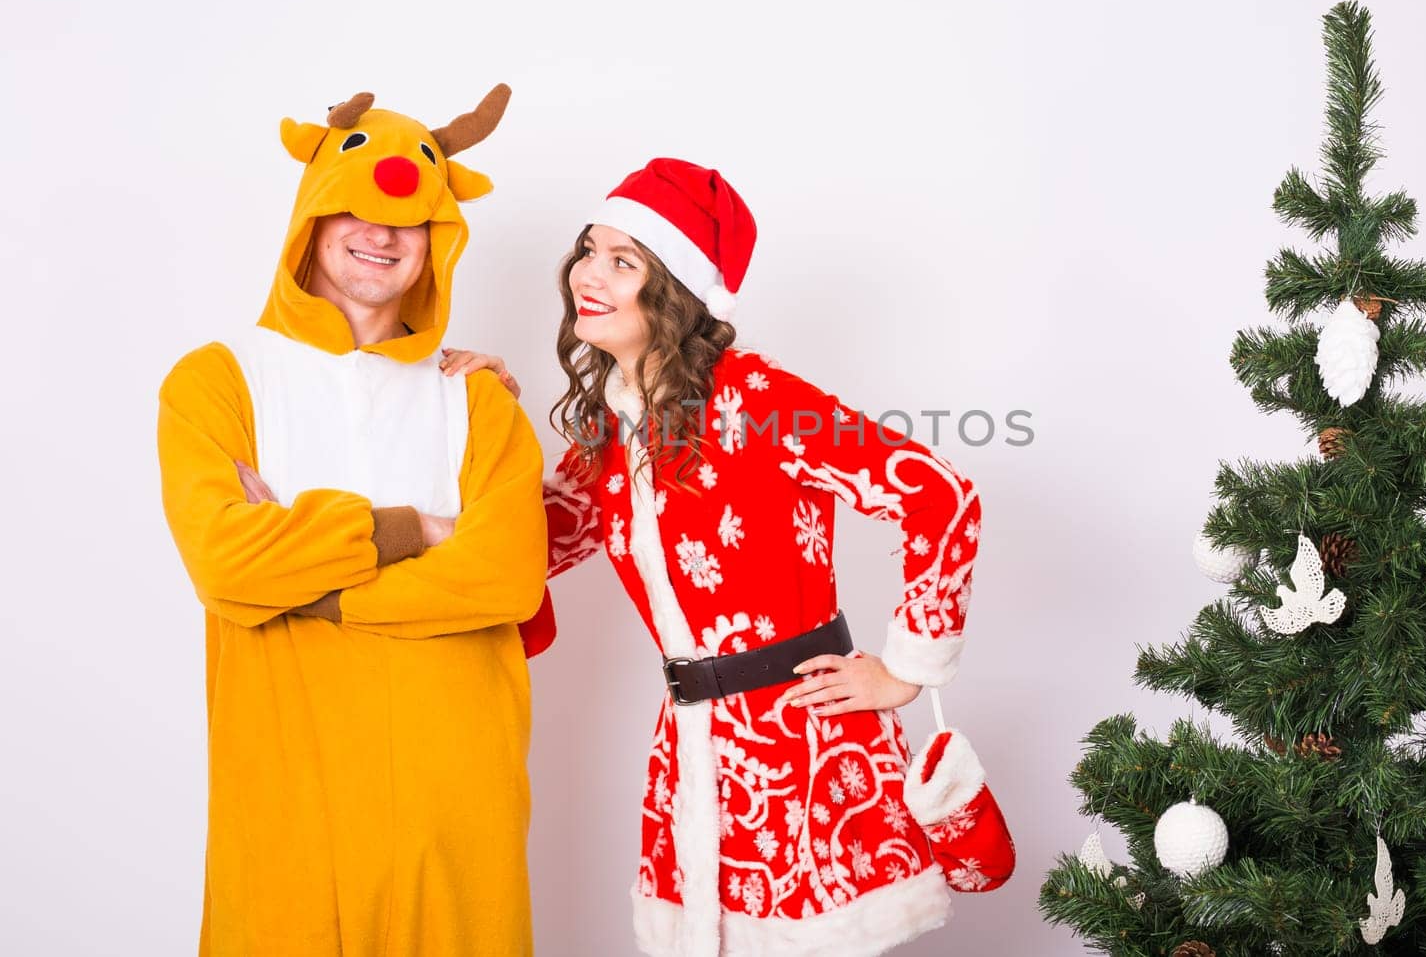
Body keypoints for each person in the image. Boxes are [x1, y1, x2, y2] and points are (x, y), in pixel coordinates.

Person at [444, 158, 981, 956]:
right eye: (590, 250)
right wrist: (487, 413)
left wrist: (906, 669)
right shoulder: (611, 431)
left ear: (674, 292)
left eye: (624, 262)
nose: (589, 275)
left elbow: (939, 493)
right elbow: (520, 544)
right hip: (690, 756)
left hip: (800, 752)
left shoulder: (760, 400)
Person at [157, 86, 548, 955]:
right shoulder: (217, 383)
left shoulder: (477, 400)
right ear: (312, 215)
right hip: (291, 801)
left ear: (437, 243)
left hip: (454, 811)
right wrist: (420, 529)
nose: (380, 234)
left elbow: (508, 574)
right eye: (356, 209)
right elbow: (226, 560)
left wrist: (310, 587)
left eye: (408, 222)